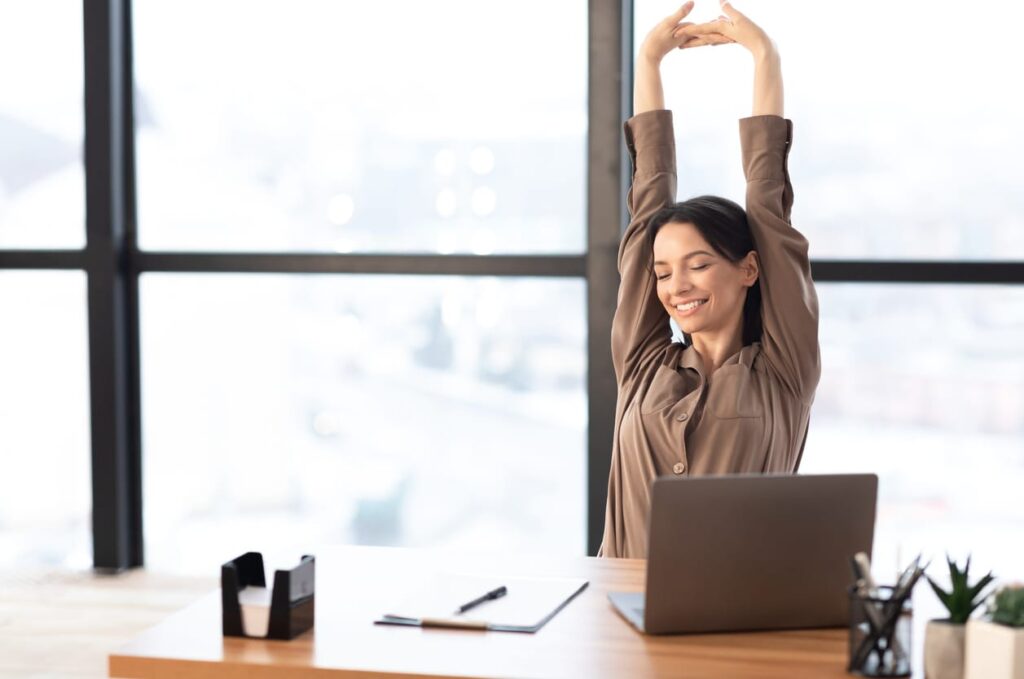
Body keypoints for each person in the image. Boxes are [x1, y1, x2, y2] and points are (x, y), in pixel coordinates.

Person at [598, 0, 821, 559]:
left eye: (698, 265)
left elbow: (768, 210)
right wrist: (647, 62)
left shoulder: (783, 372)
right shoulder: (642, 364)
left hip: (734, 622)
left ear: (748, 268)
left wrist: (763, 56)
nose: (678, 286)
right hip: (616, 625)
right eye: (665, 272)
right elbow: (648, 205)